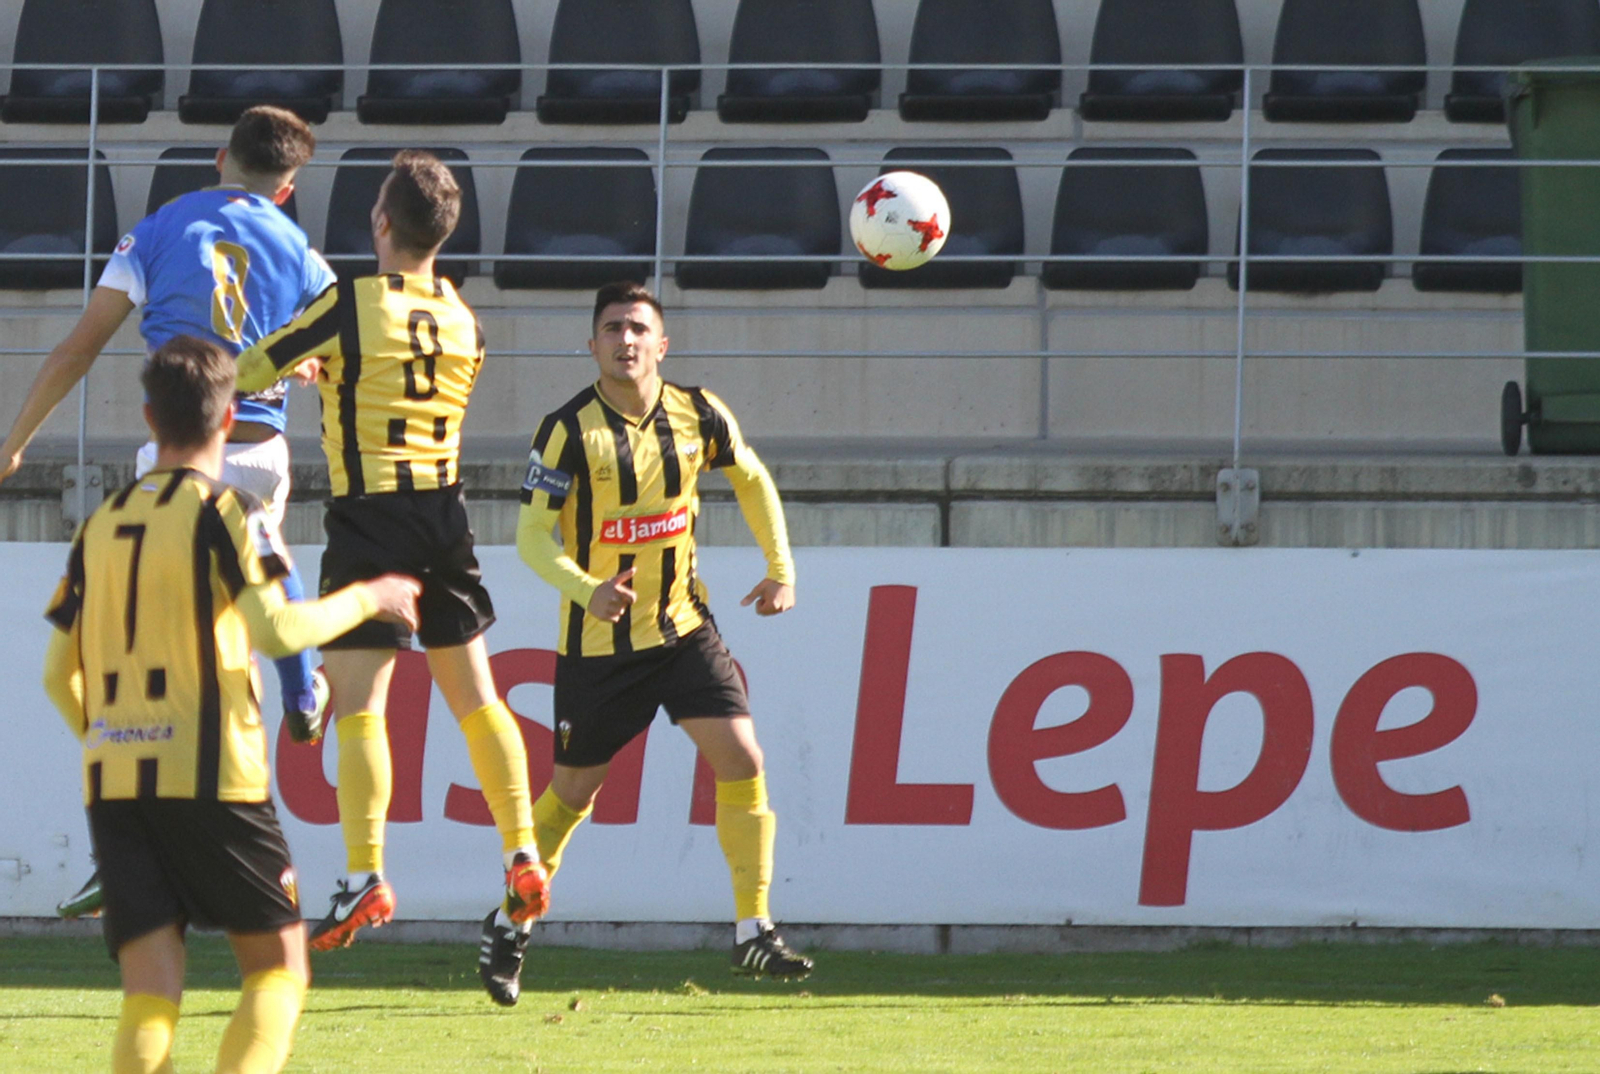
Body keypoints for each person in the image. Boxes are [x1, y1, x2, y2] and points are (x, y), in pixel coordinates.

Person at [42, 335, 421, 1074]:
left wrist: (112, 735)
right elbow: (277, 630)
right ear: (226, 422)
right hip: (214, 779)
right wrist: (368, 597)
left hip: (116, 781)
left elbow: (61, 674)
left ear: (149, 419)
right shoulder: (229, 511)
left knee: (150, 994)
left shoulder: (99, 526)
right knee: (278, 970)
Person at [2, 106, 339, 919]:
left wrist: (13, 443)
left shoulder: (154, 232)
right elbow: (337, 351)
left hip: (169, 463)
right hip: (255, 452)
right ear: (288, 187)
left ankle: (119, 845)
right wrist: (302, 366)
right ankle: (301, 690)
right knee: (263, 566)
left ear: (219, 158)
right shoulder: (303, 253)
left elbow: (80, 345)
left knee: (145, 654)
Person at [233, 151, 549, 998]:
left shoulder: (348, 305)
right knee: (478, 700)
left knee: (362, 708)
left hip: (369, 517)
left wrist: (288, 365)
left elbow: (254, 370)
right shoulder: (465, 321)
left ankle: (365, 872)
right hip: (445, 514)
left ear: (381, 223)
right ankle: (521, 849)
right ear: (443, 232)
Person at [514, 281, 814, 994]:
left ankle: (753, 930)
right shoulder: (565, 431)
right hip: (600, 648)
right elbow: (529, 535)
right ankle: (509, 923)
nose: (626, 340)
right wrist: (590, 590)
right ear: (592, 344)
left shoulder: (699, 411)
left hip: (683, 628)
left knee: (742, 756)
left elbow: (751, 476)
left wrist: (782, 569)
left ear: (662, 344)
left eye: (639, 328)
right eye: (613, 327)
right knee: (571, 795)